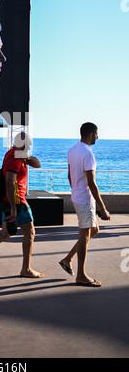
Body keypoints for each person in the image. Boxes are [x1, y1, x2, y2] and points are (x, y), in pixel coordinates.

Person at [0, 132, 44, 278]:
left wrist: (27, 158)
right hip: (16, 202)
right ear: (23, 144)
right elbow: (9, 183)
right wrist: (12, 207)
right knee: (30, 233)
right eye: (28, 144)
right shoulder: (14, 159)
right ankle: (26, 269)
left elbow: (38, 164)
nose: (29, 147)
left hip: (11, 201)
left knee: (6, 233)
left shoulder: (17, 156)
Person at [59, 122, 110, 287]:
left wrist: (75, 191)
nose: (98, 137)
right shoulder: (88, 153)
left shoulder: (72, 150)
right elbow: (92, 183)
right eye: (97, 133)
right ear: (91, 133)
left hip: (77, 197)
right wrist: (102, 207)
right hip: (85, 200)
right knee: (84, 233)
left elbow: (69, 176)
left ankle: (67, 259)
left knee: (93, 230)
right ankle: (81, 275)